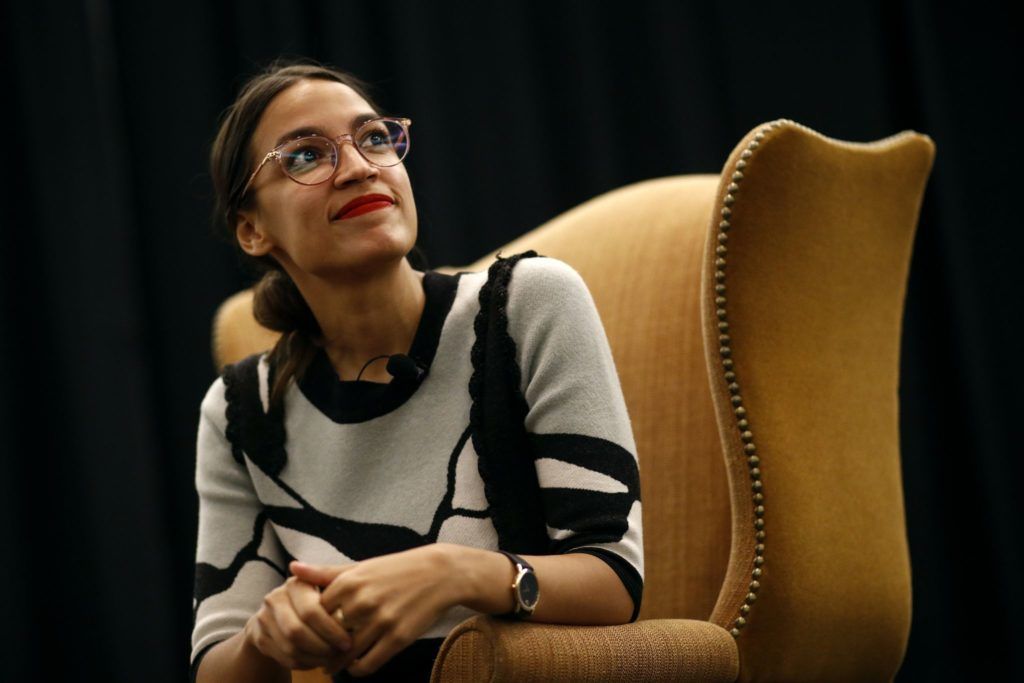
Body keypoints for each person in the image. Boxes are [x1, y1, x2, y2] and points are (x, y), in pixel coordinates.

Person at [190, 59, 643, 682]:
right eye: (305, 156)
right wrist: (269, 636)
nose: (358, 166)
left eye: (374, 137)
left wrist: (454, 570)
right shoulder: (244, 411)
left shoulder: (525, 306)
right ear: (252, 230)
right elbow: (217, 661)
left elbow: (614, 579)